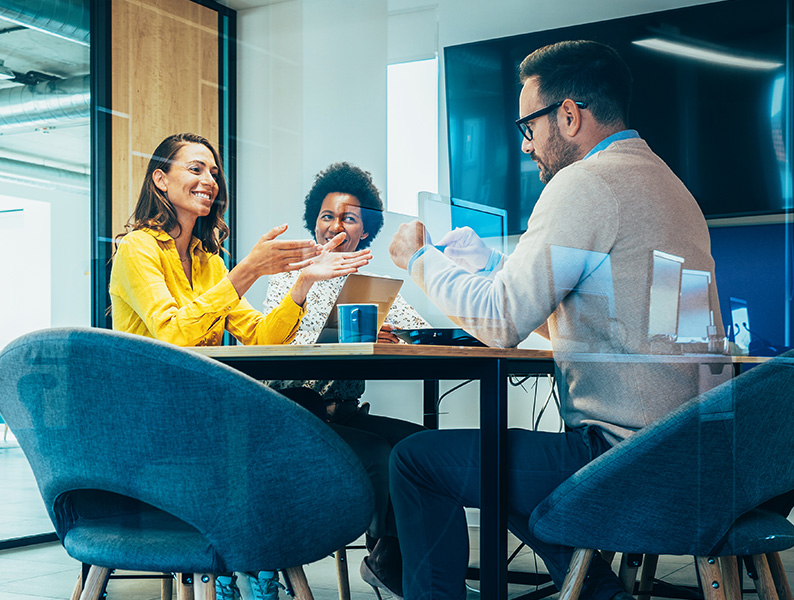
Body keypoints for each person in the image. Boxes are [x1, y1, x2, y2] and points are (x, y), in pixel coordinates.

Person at [387, 41, 724, 600]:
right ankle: (595, 591)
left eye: (529, 126)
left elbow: (499, 322)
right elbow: (616, 322)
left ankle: (588, 589)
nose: (527, 147)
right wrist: (493, 267)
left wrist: (420, 262)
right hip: (686, 453)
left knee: (416, 461)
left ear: (568, 115)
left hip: (625, 460)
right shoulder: (666, 185)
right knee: (514, 464)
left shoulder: (585, 183)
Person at [109, 133, 371, 600]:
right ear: (160, 178)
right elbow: (172, 334)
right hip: (155, 416)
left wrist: (301, 285)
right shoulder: (138, 249)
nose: (209, 179)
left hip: (201, 409)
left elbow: (260, 335)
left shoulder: (210, 262)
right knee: (275, 428)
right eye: (195, 168)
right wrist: (248, 270)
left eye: (213, 171)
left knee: (295, 411)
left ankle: (251, 558)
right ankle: (249, 562)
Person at [263, 162, 430, 599]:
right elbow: (282, 344)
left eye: (349, 217)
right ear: (313, 223)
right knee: (380, 454)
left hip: (345, 416)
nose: (336, 225)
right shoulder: (288, 278)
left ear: (364, 231)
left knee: (420, 445)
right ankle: (384, 557)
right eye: (327, 216)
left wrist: (395, 336)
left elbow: (417, 337)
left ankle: (397, 562)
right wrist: (352, 330)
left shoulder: (372, 285)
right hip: (293, 415)